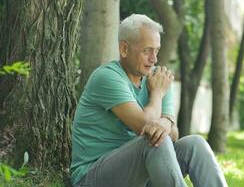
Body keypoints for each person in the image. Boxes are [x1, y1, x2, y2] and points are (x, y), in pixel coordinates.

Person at [71, 14, 228, 187]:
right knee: (153, 139)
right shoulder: (107, 77)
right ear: (124, 49)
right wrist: (157, 95)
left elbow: (173, 134)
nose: (154, 59)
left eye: (157, 50)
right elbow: (145, 127)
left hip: (140, 175)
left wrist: (166, 122)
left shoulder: (157, 78)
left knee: (195, 144)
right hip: (93, 178)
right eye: (147, 50)